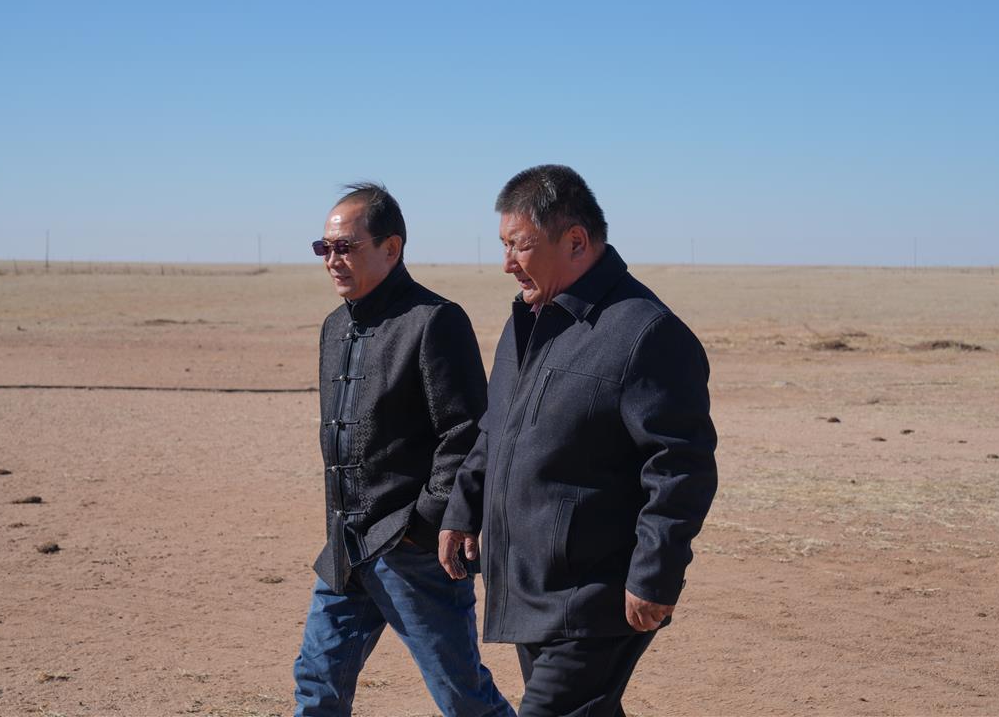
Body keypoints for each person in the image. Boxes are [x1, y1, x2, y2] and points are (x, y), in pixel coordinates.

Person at [439, 164, 718, 716]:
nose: (506, 263)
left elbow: (681, 467)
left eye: (520, 245)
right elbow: (497, 427)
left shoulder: (645, 333)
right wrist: (462, 509)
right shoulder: (529, 321)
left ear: (575, 241)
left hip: (595, 596)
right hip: (531, 586)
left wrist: (655, 574)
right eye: (503, 245)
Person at [293, 183, 514, 717]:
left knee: (462, 695)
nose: (332, 260)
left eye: (345, 247)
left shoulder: (434, 320)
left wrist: (422, 524)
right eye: (324, 248)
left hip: (411, 550)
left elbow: (466, 433)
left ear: (391, 248)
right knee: (318, 682)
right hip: (346, 546)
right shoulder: (335, 326)